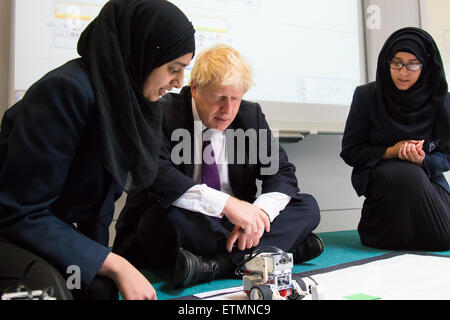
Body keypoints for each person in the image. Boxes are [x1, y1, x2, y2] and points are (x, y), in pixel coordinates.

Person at [0, 0, 195, 300]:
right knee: (51, 288)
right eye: (173, 68)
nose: (179, 82)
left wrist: (103, 265)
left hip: (44, 228)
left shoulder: (131, 104)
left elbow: (100, 207)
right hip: (13, 229)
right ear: (141, 51)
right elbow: (20, 212)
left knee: (100, 289)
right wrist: (114, 264)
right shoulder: (66, 91)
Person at [113, 44, 323, 288]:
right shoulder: (161, 112)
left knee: (307, 206)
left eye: (236, 98)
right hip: (186, 219)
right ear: (194, 89)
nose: (228, 110)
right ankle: (280, 249)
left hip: (233, 226)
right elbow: (157, 175)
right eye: (219, 98)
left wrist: (259, 215)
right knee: (166, 220)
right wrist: (228, 204)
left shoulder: (250, 115)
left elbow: (281, 173)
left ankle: (216, 265)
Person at [341, 27, 450, 251]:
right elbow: (351, 151)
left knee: (413, 177)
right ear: (386, 62)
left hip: (427, 178)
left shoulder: (440, 100)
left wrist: (422, 160)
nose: (403, 72)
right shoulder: (367, 96)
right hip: (384, 177)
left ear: (426, 64)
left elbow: (448, 154)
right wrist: (392, 151)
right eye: (397, 62)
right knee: (403, 174)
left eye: (413, 64)